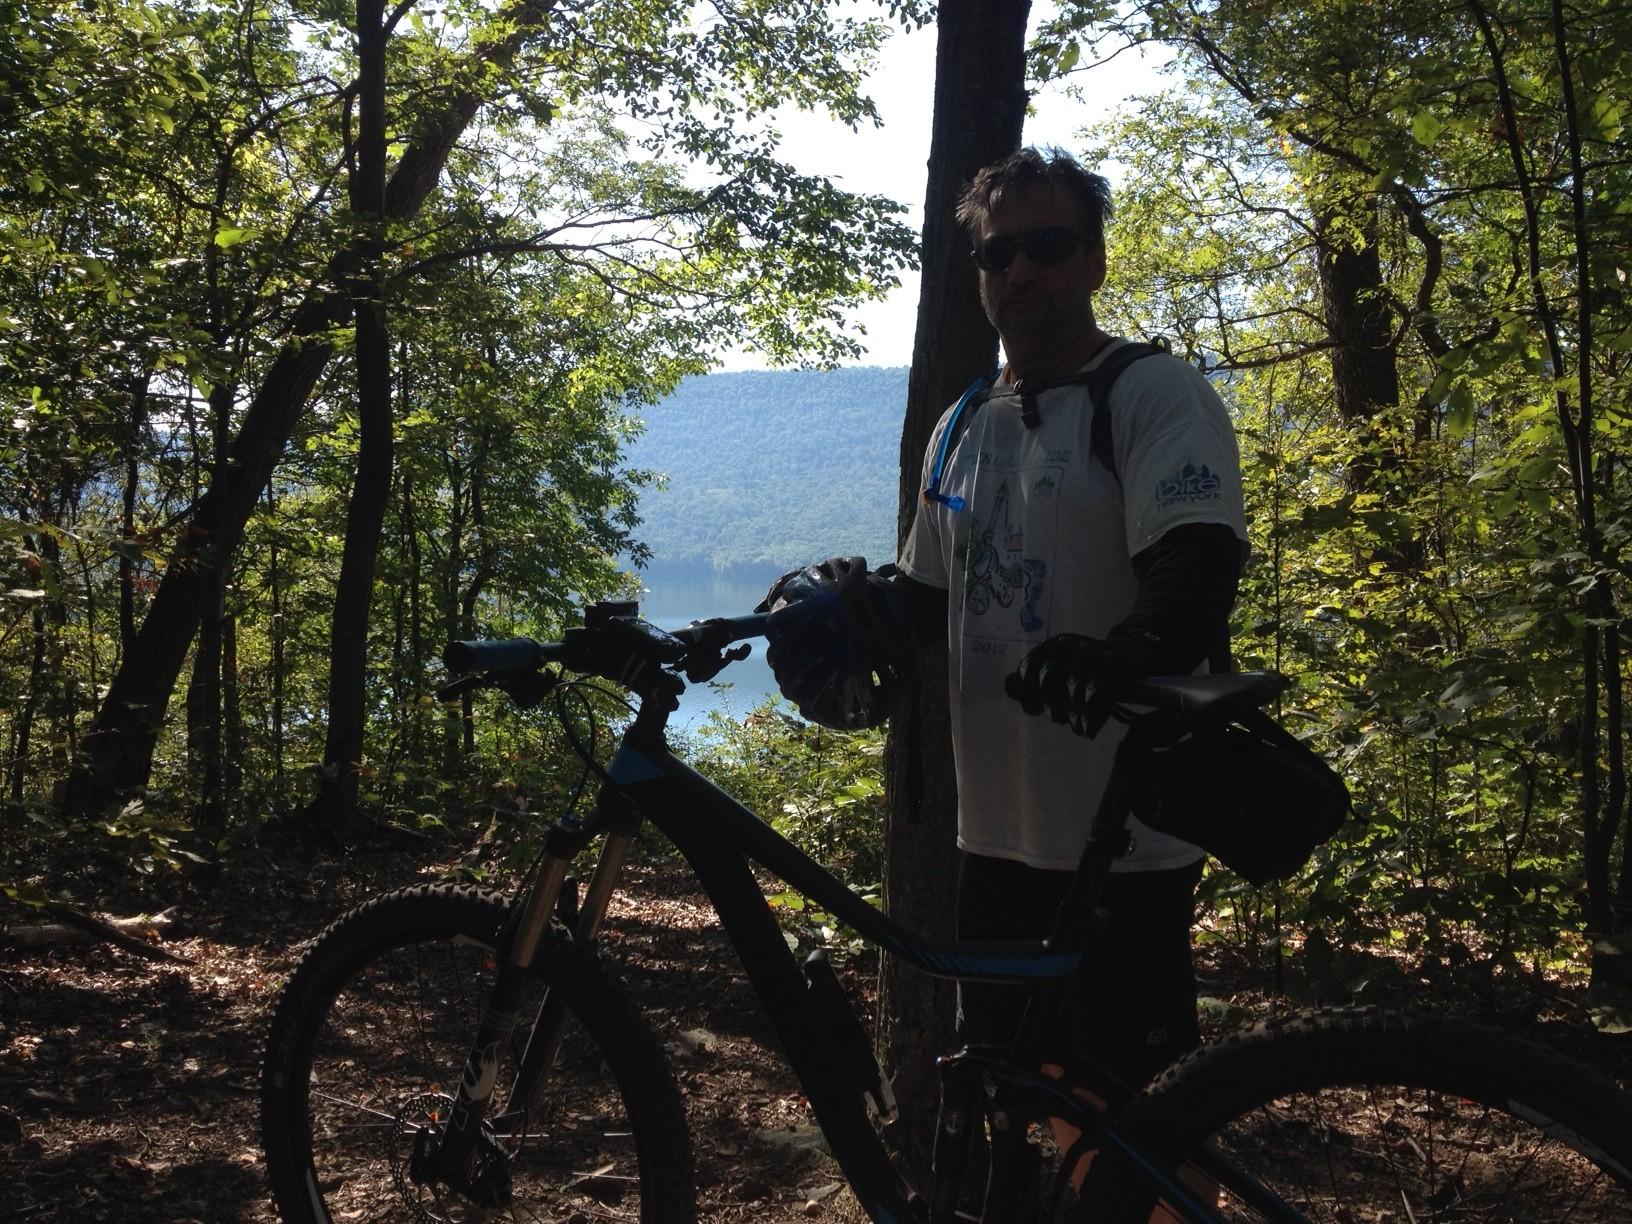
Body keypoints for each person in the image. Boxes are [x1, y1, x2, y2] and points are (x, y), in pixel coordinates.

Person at [762, 146, 1246, 1087]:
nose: (1021, 270)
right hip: (994, 831)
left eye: (1049, 246)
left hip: (1126, 834)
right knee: (1019, 1088)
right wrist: (857, 617)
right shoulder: (965, 423)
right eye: (998, 255)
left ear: (1096, 261)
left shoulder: (1151, 395)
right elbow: (932, 600)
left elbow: (1196, 561)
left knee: (1139, 1111)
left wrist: (1133, 651)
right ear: (980, 276)